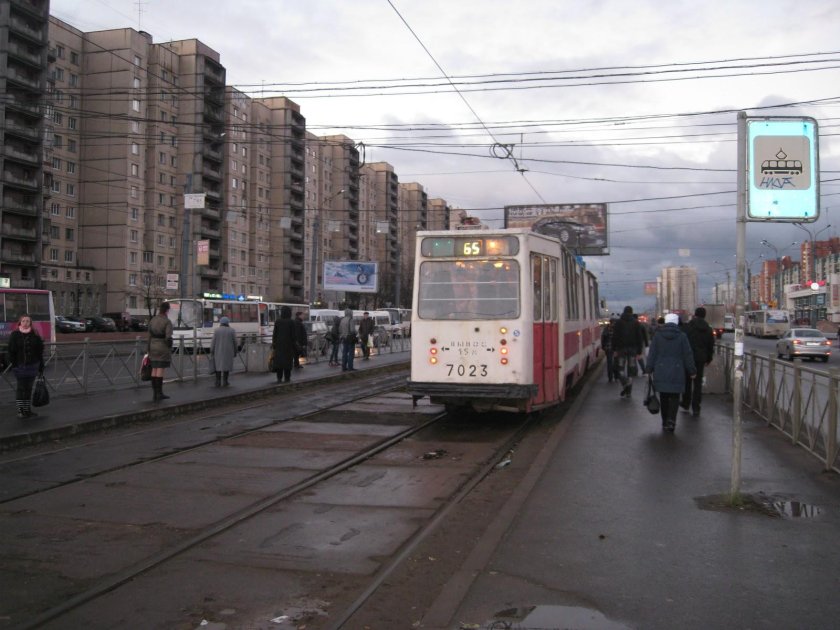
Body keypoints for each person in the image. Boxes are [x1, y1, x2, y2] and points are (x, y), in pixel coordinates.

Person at [646, 313, 697, 433]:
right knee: (674, 397)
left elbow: (652, 354)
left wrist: (648, 369)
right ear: (676, 322)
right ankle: (672, 421)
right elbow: (687, 355)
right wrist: (692, 371)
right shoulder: (682, 336)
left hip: (661, 370)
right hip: (677, 370)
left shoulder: (658, 336)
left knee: (663, 397)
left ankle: (664, 421)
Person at [8, 314, 45, 418]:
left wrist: (41, 366)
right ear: (20, 323)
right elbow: (11, 351)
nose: (25, 323)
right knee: (21, 388)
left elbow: (39, 352)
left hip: (32, 367)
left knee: (29, 388)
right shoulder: (15, 335)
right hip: (20, 367)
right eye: (23, 321)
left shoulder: (35, 335)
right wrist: (14, 365)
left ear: (30, 323)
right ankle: (21, 411)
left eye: (27, 321)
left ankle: (27, 410)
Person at [681, 306, 716, 416]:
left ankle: (686, 403)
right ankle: (696, 407)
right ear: (704, 316)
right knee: (698, 383)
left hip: (688, 357)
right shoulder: (708, 329)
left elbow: (683, 342)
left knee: (687, 381)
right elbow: (711, 345)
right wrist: (709, 358)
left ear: (695, 314)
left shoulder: (688, 327)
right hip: (701, 358)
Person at [612, 305, 644, 398]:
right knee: (631, 370)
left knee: (620, 368)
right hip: (632, 351)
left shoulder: (618, 323)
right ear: (631, 312)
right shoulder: (636, 323)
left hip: (621, 349)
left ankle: (625, 382)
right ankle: (629, 391)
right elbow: (639, 337)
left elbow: (615, 337)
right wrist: (639, 351)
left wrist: (614, 349)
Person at [148, 301, 174, 402]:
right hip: (162, 347)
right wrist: (169, 347)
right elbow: (168, 337)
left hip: (152, 346)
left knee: (154, 368)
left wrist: (148, 349)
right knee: (160, 369)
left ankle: (155, 393)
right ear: (167, 310)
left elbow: (149, 335)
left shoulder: (153, 319)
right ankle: (159, 393)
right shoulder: (167, 321)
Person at [210, 316, 237, 387]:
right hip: (228, 352)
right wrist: (235, 351)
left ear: (221, 323)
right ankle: (225, 381)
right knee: (226, 367)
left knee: (218, 367)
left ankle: (218, 381)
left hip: (218, 351)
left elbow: (213, 342)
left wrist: (212, 350)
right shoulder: (232, 330)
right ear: (228, 323)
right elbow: (235, 342)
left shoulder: (216, 330)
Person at [272, 305, 296, 383]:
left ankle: (279, 378)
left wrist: (274, 344)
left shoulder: (278, 321)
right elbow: (293, 335)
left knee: (279, 363)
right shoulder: (291, 322)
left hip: (279, 346)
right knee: (287, 363)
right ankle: (287, 378)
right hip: (288, 346)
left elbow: (274, 334)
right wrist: (294, 344)